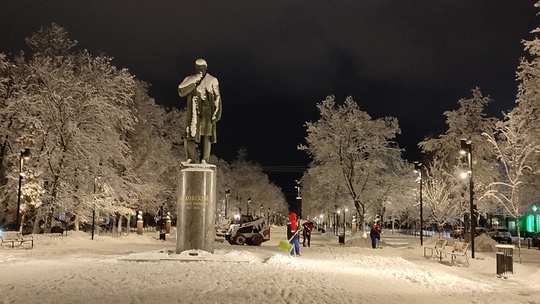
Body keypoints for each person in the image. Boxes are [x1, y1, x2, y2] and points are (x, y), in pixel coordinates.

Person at [178, 59, 222, 164]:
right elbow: (181, 92)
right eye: (198, 67)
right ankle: (190, 158)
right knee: (190, 135)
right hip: (193, 111)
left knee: (206, 136)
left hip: (207, 112)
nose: (200, 70)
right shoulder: (189, 79)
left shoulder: (212, 80)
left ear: (206, 67)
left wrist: (217, 113)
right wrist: (194, 81)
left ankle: (204, 160)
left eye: (202, 67)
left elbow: (217, 99)